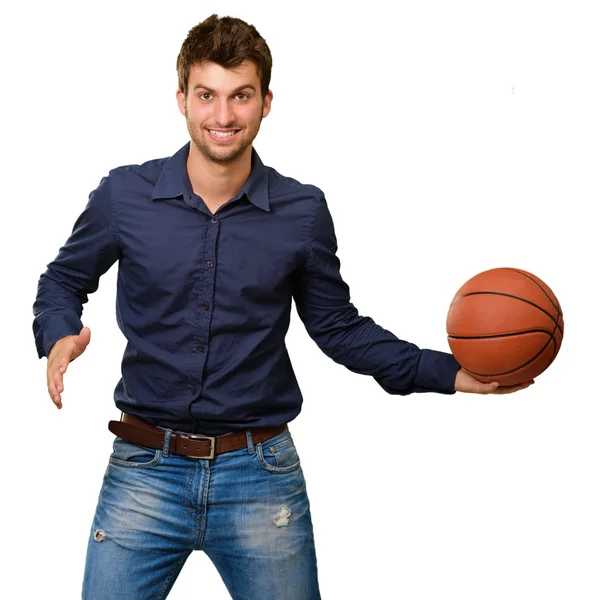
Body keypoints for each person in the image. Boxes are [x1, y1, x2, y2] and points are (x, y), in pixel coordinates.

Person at [32, 13, 533, 600]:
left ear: (266, 101)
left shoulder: (301, 212)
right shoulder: (124, 195)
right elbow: (63, 279)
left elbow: (339, 328)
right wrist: (59, 332)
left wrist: (449, 374)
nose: (223, 117)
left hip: (259, 477)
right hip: (144, 469)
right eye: (207, 96)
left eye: (240, 95)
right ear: (182, 100)